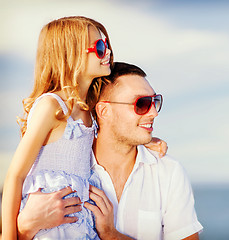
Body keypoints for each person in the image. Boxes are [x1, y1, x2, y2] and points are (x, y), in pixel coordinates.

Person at [1, 17, 166, 240]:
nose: (107, 52)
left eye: (106, 45)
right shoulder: (52, 106)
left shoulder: (89, 109)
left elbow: (113, 136)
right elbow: (16, 175)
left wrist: (147, 139)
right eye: (99, 47)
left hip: (77, 221)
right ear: (72, 55)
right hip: (50, 223)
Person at [17, 62, 203, 239]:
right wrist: (25, 228)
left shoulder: (169, 172)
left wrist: (111, 235)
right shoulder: (64, 171)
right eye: (142, 104)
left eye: (155, 101)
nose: (153, 112)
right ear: (104, 111)